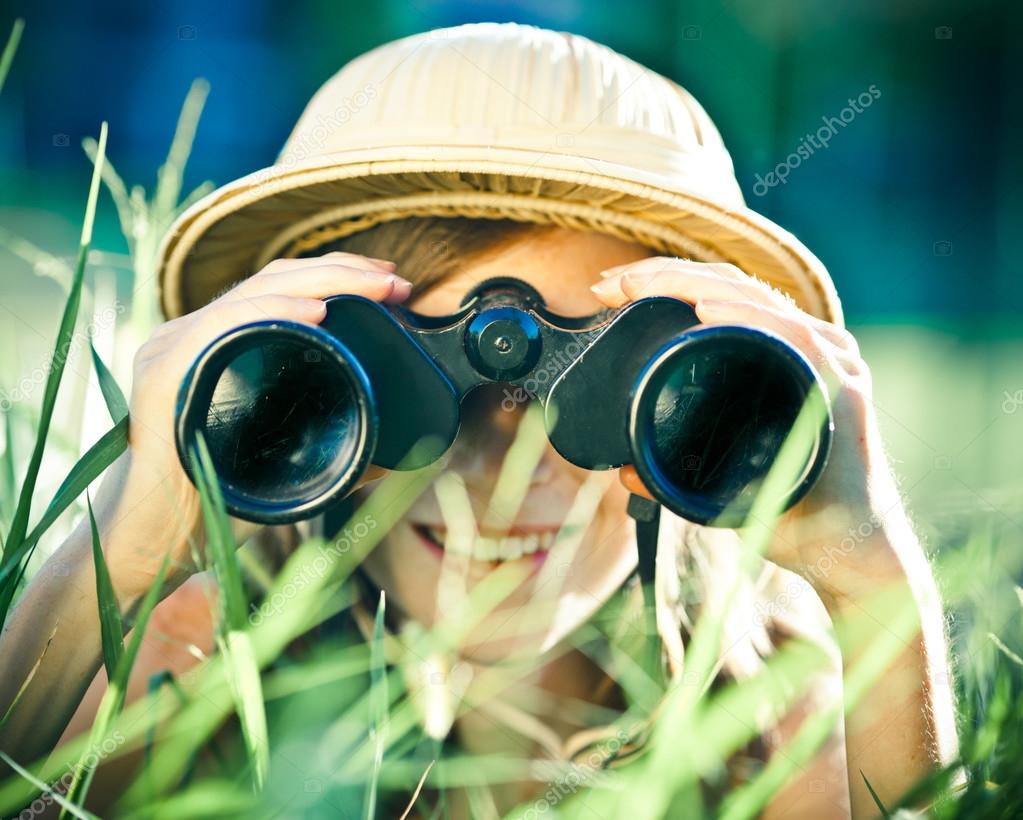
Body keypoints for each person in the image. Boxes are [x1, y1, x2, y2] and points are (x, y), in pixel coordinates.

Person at [0, 22, 957, 818]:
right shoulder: (189, 671)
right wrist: (120, 558)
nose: (504, 464)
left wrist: (872, 584)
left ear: (713, 409)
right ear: (298, 396)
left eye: (598, 386)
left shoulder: (768, 715)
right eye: (404, 387)